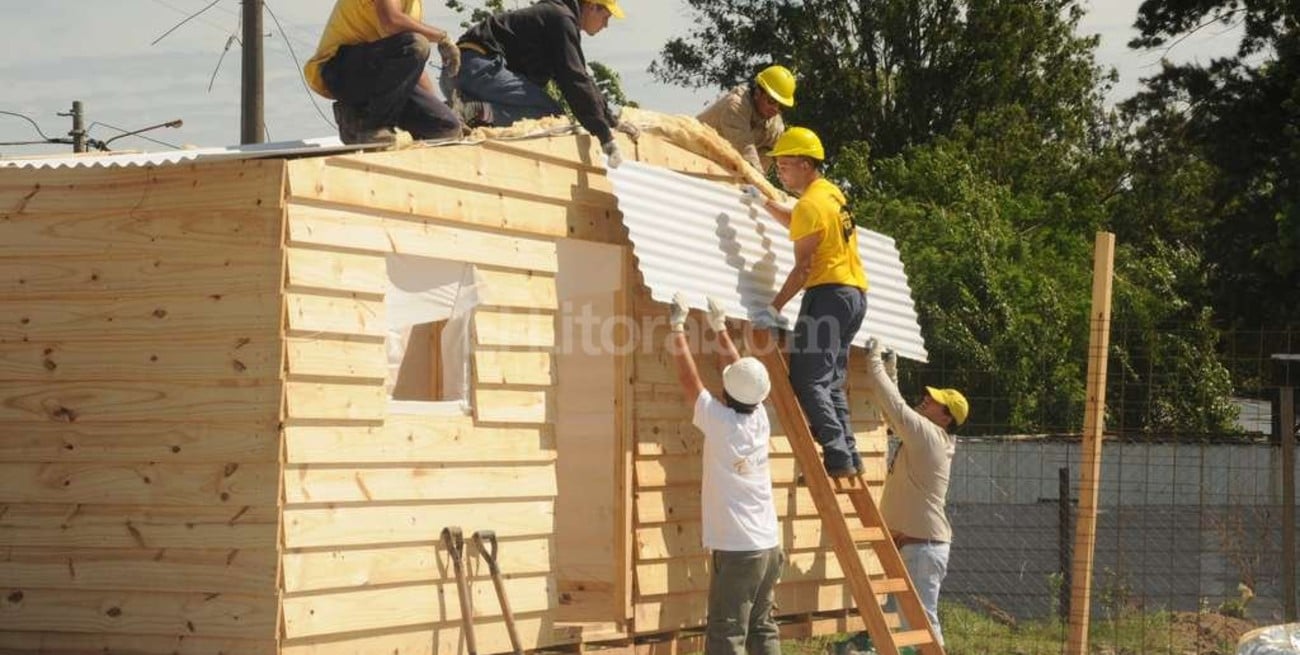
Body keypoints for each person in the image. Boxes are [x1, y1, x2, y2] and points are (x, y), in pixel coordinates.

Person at [667, 292, 782, 655]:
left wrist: (676, 328)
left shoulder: (721, 423)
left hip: (739, 550)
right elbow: (740, 375)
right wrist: (719, 329)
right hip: (768, 545)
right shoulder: (759, 418)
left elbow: (691, 382)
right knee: (762, 626)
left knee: (727, 632)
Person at [752, 127, 868, 478]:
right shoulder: (829, 195)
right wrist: (765, 203)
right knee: (830, 382)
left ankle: (836, 456)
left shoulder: (811, 204)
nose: (779, 171)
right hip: (854, 297)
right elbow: (802, 224)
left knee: (806, 379)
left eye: (785, 165)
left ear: (804, 164)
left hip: (828, 295)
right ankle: (849, 455)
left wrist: (773, 308)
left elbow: (803, 268)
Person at [863, 337, 968, 647]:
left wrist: (873, 361)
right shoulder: (927, 435)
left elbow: (896, 409)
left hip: (922, 549)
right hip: (914, 547)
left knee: (922, 620)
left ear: (946, 417)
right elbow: (900, 413)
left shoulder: (930, 437)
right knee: (902, 625)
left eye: (934, 401)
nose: (926, 399)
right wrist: (891, 369)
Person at [449, 0, 637, 167]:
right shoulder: (561, 18)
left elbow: (579, 77)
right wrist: (605, 137)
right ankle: (474, 111)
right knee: (550, 115)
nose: (606, 25)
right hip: (476, 67)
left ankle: (448, 113)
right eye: (606, 16)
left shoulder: (556, 17)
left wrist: (611, 120)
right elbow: (574, 79)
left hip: (462, 72)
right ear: (591, 6)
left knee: (534, 114)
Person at [304, 0, 464, 145]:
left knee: (446, 127)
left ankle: (365, 123)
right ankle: (368, 126)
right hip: (340, 71)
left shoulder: (413, 4)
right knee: (417, 44)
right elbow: (392, 22)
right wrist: (442, 37)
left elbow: (411, 65)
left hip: (378, 78)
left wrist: (436, 107)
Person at [697, 65, 796, 172]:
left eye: (781, 106)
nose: (775, 109)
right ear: (758, 93)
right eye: (771, 101)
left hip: (719, 166)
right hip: (693, 153)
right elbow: (745, 149)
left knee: (770, 152)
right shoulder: (736, 106)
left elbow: (783, 155)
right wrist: (759, 181)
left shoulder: (775, 125)